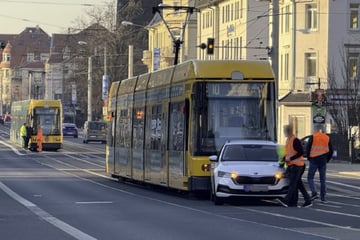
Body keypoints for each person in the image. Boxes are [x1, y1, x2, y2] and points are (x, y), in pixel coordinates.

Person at [277, 125, 312, 208]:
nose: (284, 132)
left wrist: (290, 158)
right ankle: (303, 201)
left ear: (289, 131)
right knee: (298, 184)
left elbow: (300, 152)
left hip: (297, 165)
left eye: (285, 131)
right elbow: (288, 153)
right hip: (292, 165)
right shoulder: (288, 140)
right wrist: (283, 160)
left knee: (293, 184)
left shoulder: (295, 140)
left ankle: (287, 200)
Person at [306, 124, 333, 203]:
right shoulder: (327, 137)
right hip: (323, 160)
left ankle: (314, 192)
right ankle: (323, 197)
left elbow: (308, 148)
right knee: (323, 180)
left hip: (314, 159)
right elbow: (330, 150)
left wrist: (309, 157)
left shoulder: (313, 137)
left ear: (315, 130)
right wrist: (327, 159)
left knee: (310, 177)